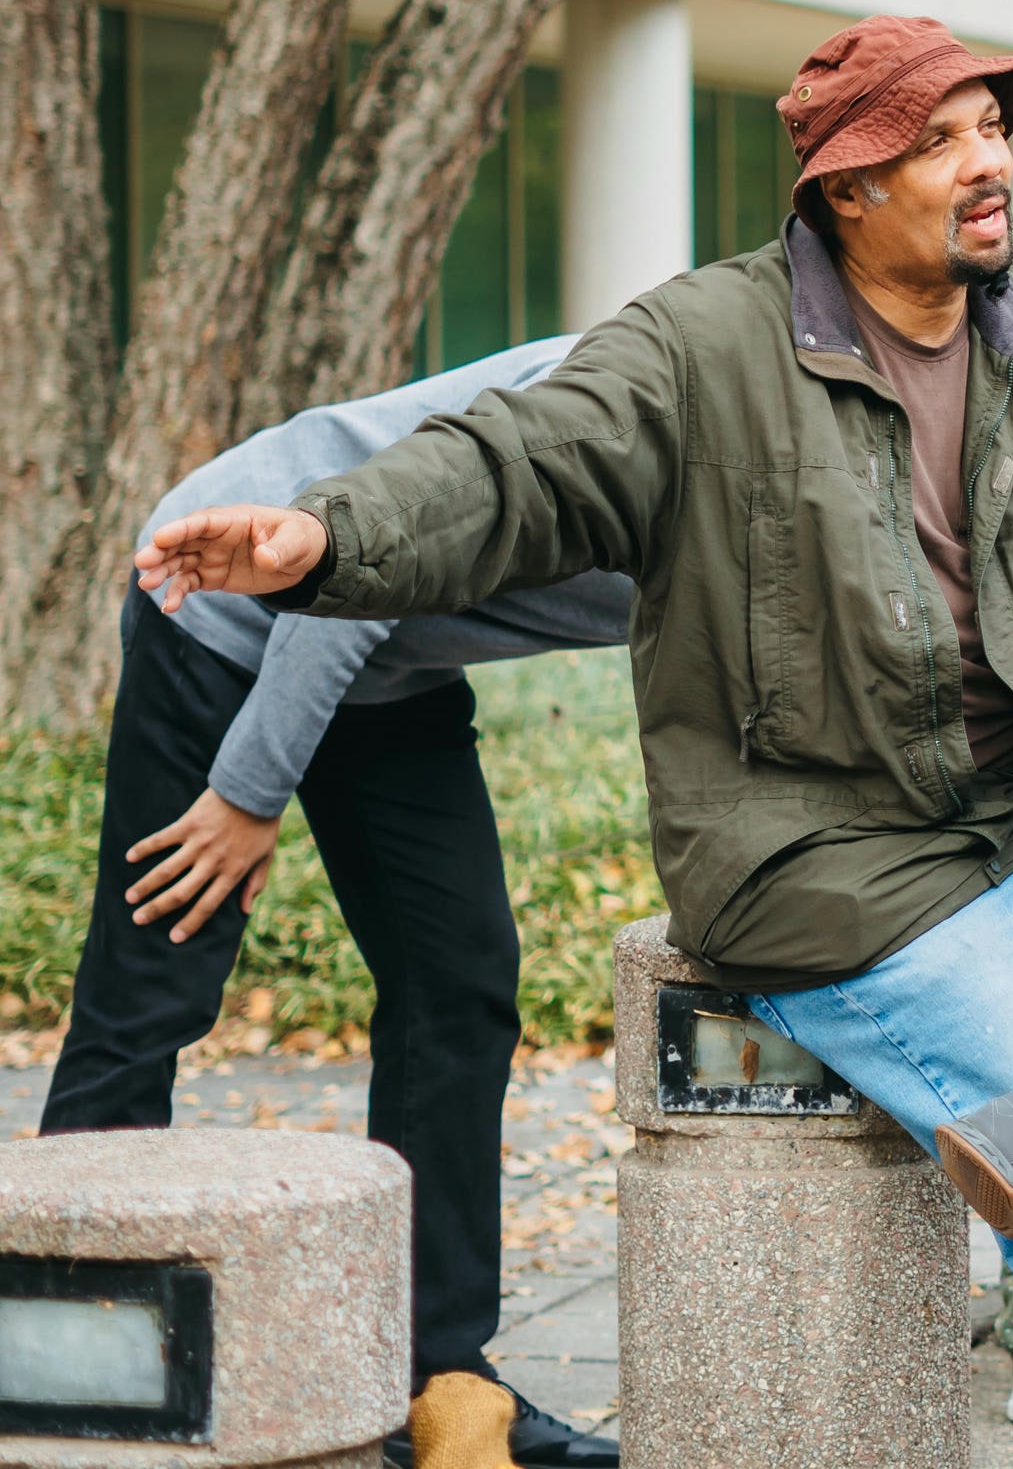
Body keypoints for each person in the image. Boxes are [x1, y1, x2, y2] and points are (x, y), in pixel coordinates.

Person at [134, 15, 1013, 1469]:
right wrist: (323, 536)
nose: (988, 162)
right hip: (839, 866)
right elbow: (513, 467)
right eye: (939, 141)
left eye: (990, 128)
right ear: (847, 190)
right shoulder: (702, 347)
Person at [42, 338, 628, 1468]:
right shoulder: (645, 398)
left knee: (460, 983)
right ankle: (63, 1348)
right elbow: (356, 532)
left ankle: (434, 1377)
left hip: (388, 660)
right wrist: (246, 791)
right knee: (159, 968)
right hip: (233, 594)